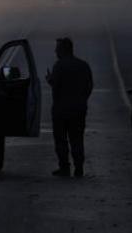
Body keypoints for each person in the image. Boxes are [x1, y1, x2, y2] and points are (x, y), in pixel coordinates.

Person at [46, 37, 93, 177]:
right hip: (78, 109)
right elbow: (89, 86)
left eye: (57, 49)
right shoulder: (83, 65)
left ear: (63, 50)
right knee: (77, 138)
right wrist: (82, 100)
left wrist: (49, 79)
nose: (55, 51)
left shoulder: (59, 66)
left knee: (61, 139)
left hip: (61, 109)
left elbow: (55, 84)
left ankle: (64, 167)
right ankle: (79, 168)